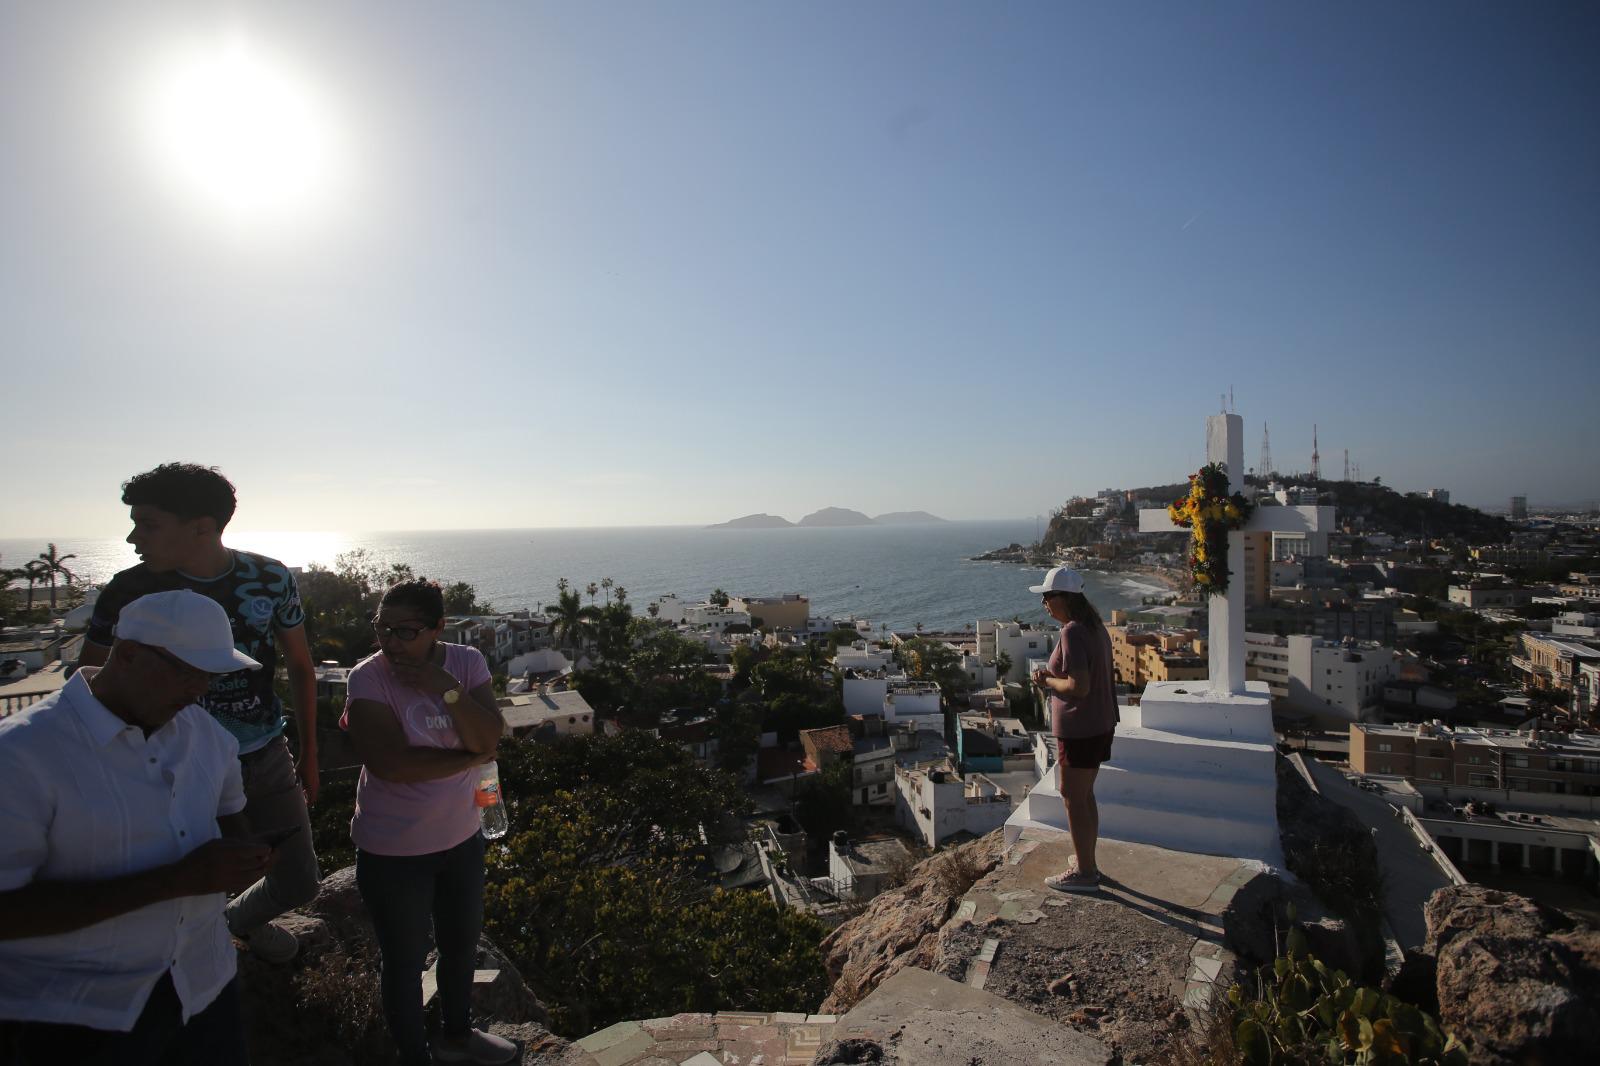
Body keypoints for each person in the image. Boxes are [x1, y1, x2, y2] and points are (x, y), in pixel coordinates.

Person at [0, 591, 278, 1065]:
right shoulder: (23, 755)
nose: (198, 690)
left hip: (204, 988)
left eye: (208, 675)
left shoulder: (206, 736)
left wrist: (244, 856)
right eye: (186, 672)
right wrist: (178, 881)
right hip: (75, 1017)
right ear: (126, 653)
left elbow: (233, 821)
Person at [78, 463, 321, 963]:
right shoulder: (129, 591)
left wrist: (310, 752)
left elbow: (299, 664)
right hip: (167, 761)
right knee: (186, 881)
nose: (132, 537)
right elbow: (91, 680)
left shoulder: (269, 578)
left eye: (148, 524)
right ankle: (202, 955)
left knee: (298, 880)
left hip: (262, 751)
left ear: (202, 527)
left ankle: (236, 923)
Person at [343, 579, 516, 1066]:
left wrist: (450, 692)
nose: (391, 642)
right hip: (393, 849)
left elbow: (490, 734)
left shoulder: (465, 664)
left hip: (461, 838)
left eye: (406, 631)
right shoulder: (368, 678)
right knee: (403, 962)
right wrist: (468, 756)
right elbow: (390, 765)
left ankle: (457, 1037)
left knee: (460, 948)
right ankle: (414, 1055)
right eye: (383, 628)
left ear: (438, 628)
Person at [1030, 565, 1119, 892]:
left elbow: (1078, 686)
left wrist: (1046, 680)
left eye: (1046, 597)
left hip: (1080, 728)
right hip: (1099, 723)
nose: (1044, 604)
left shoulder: (1072, 632)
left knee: (1072, 796)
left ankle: (1084, 873)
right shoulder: (1094, 627)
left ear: (1063, 598)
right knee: (1084, 795)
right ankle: (1087, 861)